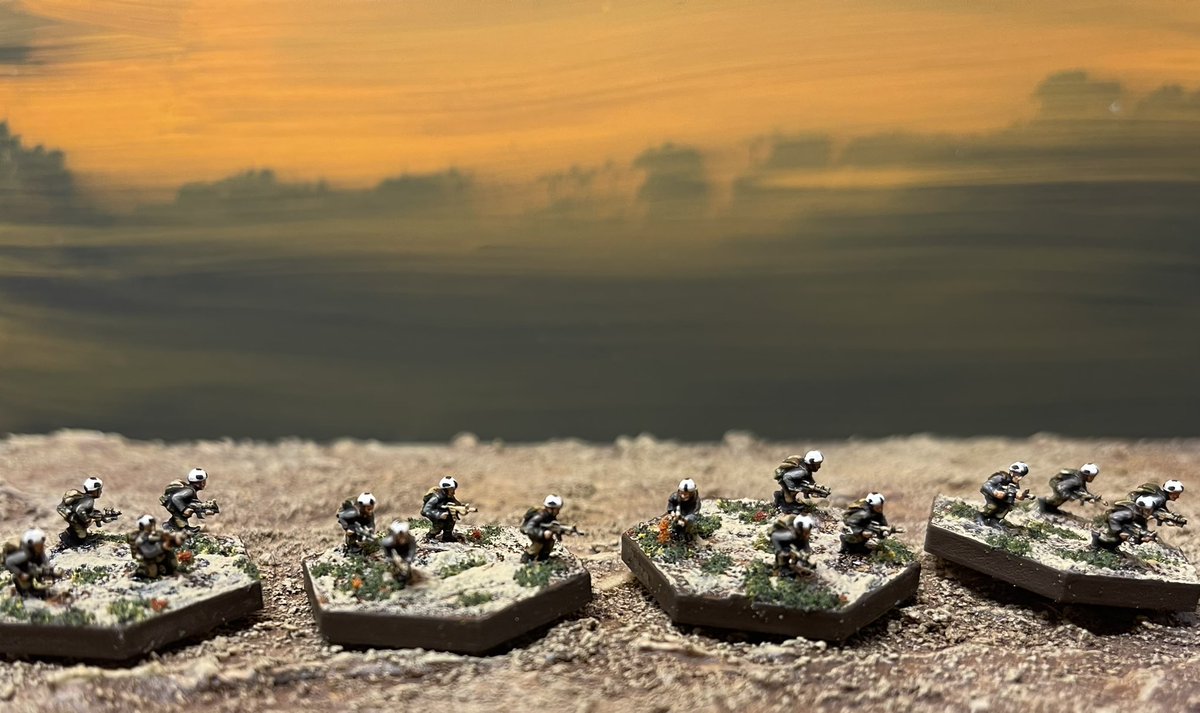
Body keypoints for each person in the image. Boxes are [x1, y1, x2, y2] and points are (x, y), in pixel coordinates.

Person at [56, 476, 120, 546]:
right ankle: (77, 545)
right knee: (82, 537)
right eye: (99, 490)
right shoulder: (89, 500)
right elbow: (79, 510)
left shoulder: (84, 497)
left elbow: (88, 511)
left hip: (73, 523)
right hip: (76, 528)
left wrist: (99, 516)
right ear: (95, 490)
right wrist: (88, 520)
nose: (101, 492)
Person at [520, 494, 583, 563]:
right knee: (538, 544)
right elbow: (529, 528)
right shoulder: (539, 516)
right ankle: (526, 559)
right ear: (551, 508)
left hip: (540, 533)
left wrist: (564, 531)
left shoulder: (550, 517)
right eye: (557, 509)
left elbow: (555, 527)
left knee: (550, 542)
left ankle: (542, 559)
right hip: (534, 533)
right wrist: (543, 533)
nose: (558, 512)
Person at [161, 468, 219, 534]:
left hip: (175, 506)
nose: (204, 484)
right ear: (199, 483)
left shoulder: (191, 491)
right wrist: (184, 509)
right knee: (182, 515)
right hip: (174, 505)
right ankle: (180, 528)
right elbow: (175, 498)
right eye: (203, 482)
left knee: (189, 510)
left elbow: (195, 504)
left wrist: (206, 510)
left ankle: (170, 525)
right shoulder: (189, 491)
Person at [129, 515, 185, 579]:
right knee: (152, 574)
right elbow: (145, 551)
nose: (153, 527)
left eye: (153, 524)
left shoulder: (157, 533)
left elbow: (169, 541)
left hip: (159, 556)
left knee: (171, 561)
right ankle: (141, 573)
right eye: (150, 525)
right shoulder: (137, 537)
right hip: (147, 559)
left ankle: (168, 570)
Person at [1093, 496, 1157, 552]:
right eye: (1147, 510)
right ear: (1140, 509)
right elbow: (1112, 518)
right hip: (1110, 533)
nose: (1149, 513)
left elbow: (1140, 529)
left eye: (1150, 511)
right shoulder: (1129, 513)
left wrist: (1147, 535)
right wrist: (1119, 532)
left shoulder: (1140, 518)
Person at [3, 529, 56, 597]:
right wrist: (20, 574)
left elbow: (44, 560)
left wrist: (48, 569)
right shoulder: (24, 555)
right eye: (38, 545)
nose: (41, 547)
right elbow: (9, 562)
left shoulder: (38, 552)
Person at [421, 477, 475, 543]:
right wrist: (439, 514)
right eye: (451, 490)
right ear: (446, 489)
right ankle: (430, 536)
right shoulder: (437, 497)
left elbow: (456, 503)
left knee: (451, 519)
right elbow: (426, 509)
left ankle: (447, 536)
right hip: (433, 513)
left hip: (443, 512)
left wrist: (462, 508)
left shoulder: (449, 496)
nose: (453, 492)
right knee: (439, 525)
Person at [977, 462, 1031, 526]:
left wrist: (1024, 495)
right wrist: (995, 492)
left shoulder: (1014, 484)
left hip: (1003, 501)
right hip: (992, 497)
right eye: (1018, 475)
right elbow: (986, 486)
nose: (1020, 478)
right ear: (1012, 473)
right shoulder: (1001, 477)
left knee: (1006, 508)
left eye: (1022, 476)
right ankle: (980, 517)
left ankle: (995, 521)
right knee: (992, 506)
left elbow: (1017, 494)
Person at [381, 520, 418, 585]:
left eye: (403, 536)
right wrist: (389, 557)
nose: (401, 538)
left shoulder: (410, 539)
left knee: (406, 562)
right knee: (394, 563)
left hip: (405, 549)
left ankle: (408, 576)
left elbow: (412, 548)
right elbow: (385, 545)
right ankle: (396, 576)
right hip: (395, 547)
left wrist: (410, 557)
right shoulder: (390, 541)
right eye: (400, 536)